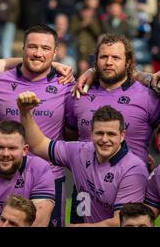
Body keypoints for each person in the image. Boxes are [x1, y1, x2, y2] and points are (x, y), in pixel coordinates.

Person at [0, 24, 74, 227]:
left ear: (55, 52)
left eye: (46, 48)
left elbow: (75, 136)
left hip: (51, 179)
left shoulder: (66, 88)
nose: (38, 53)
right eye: (32, 46)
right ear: (22, 49)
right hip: (5, 179)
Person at [17, 95, 148, 226]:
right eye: (99, 133)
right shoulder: (80, 151)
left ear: (122, 135)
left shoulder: (134, 169)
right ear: (91, 134)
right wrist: (25, 112)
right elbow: (38, 144)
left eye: (111, 134)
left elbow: (121, 222)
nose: (104, 139)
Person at [65, 34, 160, 166]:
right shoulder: (78, 93)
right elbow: (70, 137)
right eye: (103, 57)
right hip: (85, 184)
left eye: (116, 57)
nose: (108, 62)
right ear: (96, 60)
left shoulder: (149, 97)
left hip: (134, 183)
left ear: (128, 62)